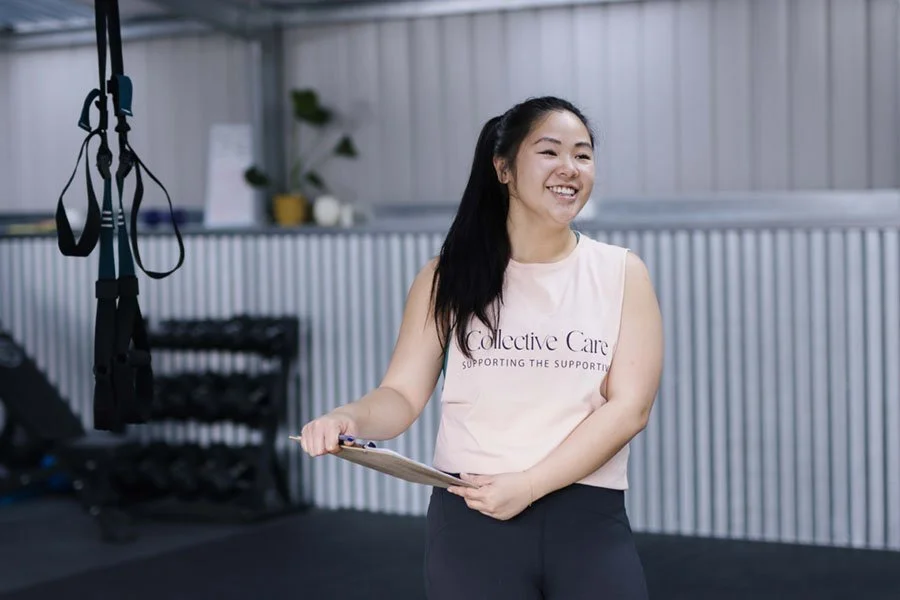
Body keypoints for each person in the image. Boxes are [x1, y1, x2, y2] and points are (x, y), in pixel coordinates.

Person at [297, 96, 664, 599]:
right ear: (504, 168)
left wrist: (531, 484)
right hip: (472, 517)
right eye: (549, 152)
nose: (570, 168)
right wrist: (348, 418)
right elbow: (401, 396)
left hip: (588, 518)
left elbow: (630, 409)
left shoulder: (622, 272)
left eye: (583, 154)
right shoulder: (446, 277)